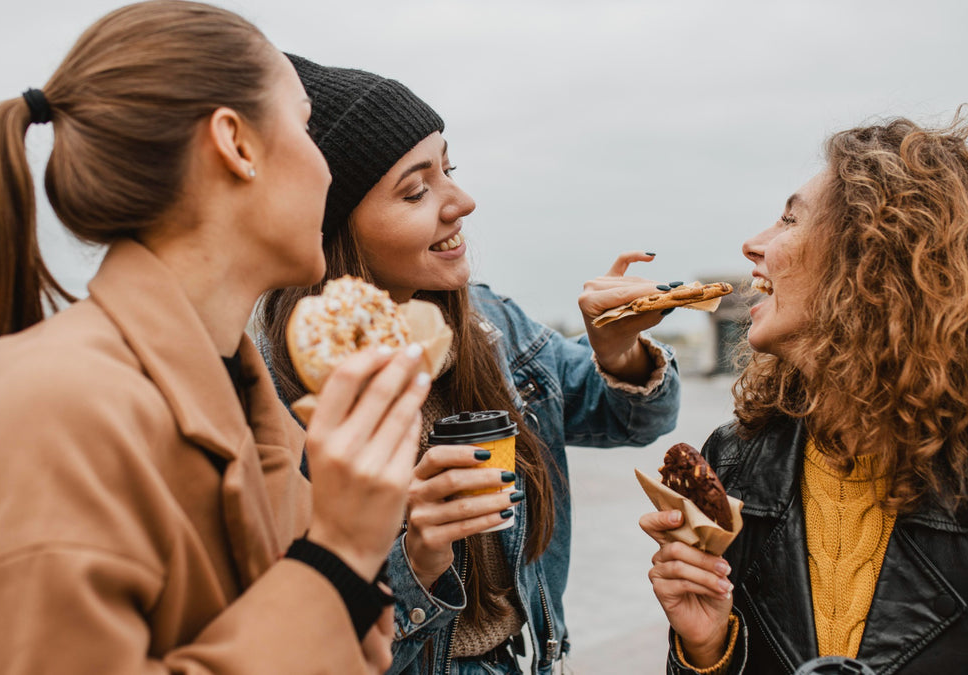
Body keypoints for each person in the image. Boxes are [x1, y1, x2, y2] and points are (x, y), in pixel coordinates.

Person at [0, 2, 431, 672]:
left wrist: (370, 539)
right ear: (235, 144)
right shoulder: (47, 411)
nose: (327, 167)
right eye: (304, 125)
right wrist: (339, 552)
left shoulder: (258, 410)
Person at [258, 55, 681, 674]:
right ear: (334, 227)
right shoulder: (274, 383)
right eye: (416, 190)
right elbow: (295, 631)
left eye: (449, 169)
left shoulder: (494, 324)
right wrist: (417, 557)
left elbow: (634, 422)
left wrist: (620, 348)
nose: (463, 202)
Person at [641, 115, 968, 674]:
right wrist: (707, 649)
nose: (753, 245)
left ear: (878, 259)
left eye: (789, 219)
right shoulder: (735, 458)